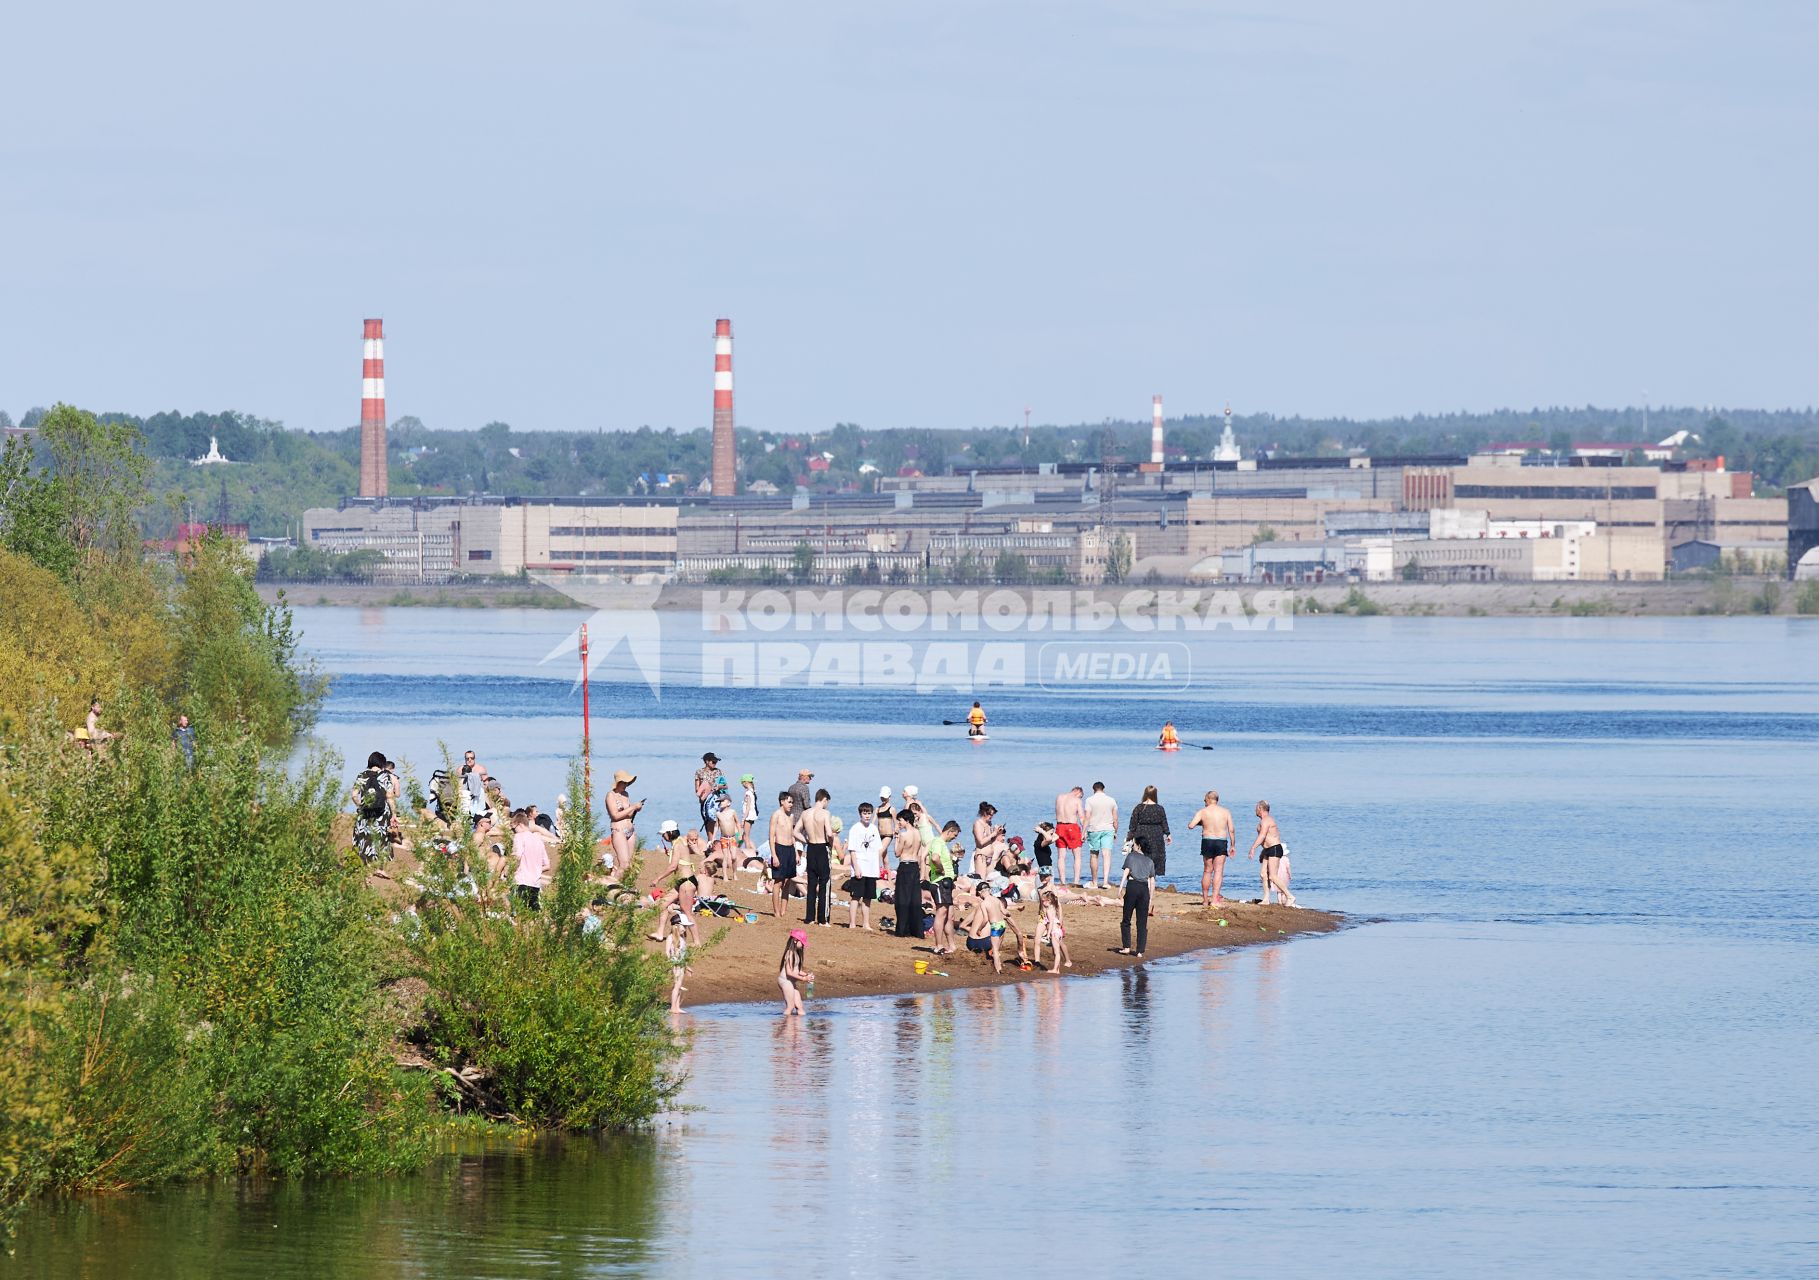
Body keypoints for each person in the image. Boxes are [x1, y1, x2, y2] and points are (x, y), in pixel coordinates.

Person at [1127, 784, 1171, 914]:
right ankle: (1149, 900)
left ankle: (1139, 899)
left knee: (1139, 868)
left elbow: (1132, 825)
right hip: (1156, 838)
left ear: (1145, 794)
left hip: (1141, 837)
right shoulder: (1159, 809)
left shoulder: (1139, 808)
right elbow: (1164, 823)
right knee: (1152, 872)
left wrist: (1129, 838)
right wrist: (1168, 834)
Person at [1190, 790, 1236, 906]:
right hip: (1221, 841)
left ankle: (1205, 900)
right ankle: (1215, 899)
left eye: (1205, 799)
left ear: (1209, 799)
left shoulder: (1203, 811)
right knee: (1218, 871)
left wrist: (1204, 823)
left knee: (1207, 871)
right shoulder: (1226, 812)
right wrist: (1232, 845)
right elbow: (1231, 829)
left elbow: (1191, 825)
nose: (1204, 801)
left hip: (1207, 840)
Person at [797, 787, 835, 927]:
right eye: (827, 802)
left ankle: (809, 917)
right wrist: (831, 845)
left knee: (812, 883)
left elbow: (796, 831)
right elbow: (830, 833)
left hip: (811, 847)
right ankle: (823, 919)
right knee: (824, 883)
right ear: (824, 799)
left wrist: (806, 841)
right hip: (822, 847)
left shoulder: (805, 813)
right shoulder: (825, 813)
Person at [1248, 800, 1297, 907]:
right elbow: (1265, 839)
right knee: (1263, 874)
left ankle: (1290, 896)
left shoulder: (1267, 820)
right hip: (1267, 850)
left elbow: (1262, 835)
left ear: (1260, 808)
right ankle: (1266, 899)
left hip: (1275, 848)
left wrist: (1253, 848)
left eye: (1256, 808)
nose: (1255, 810)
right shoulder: (1262, 821)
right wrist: (1262, 851)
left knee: (1273, 876)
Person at [846, 801, 883, 930]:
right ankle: (852, 923)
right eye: (864, 813)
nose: (867, 816)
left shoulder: (873, 829)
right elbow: (852, 851)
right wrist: (856, 867)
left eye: (869, 813)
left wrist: (878, 867)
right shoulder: (855, 829)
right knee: (856, 896)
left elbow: (878, 849)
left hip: (871, 869)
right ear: (860, 814)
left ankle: (866, 923)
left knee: (868, 898)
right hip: (860, 867)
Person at [1117, 840, 1157, 957]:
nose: (1132, 846)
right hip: (1144, 890)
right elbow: (1152, 882)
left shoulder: (1131, 857)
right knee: (1142, 922)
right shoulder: (1150, 861)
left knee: (1126, 919)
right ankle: (1140, 951)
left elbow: (1126, 872)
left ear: (1139, 846)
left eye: (1134, 844)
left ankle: (1126, 947)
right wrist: (1150, 898)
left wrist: (1120, 888)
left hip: (1133, 887)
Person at [350, 751, 391, 864]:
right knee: (381, 838)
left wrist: (360, 806)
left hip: (365, 812)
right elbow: (389, 796)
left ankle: (363, 864)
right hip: (381, 813)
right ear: (382, 763)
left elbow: (354, 795)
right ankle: (379, 868)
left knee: (363, 837)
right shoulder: (385, 776)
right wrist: (394, 813)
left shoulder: (362, 775)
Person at [891, 808, 924, 938]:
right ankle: (916, 930)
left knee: (902, 899)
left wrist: (896, 838)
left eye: (900, 820)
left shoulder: (904, 835)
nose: (899, 823)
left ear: (906, 820)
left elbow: (897, 853)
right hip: (915, 866)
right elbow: (920, 853)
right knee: (915, 899)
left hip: (905, 866)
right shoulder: (918, 834)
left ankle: (902, 929)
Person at [511, 808, 550, 912]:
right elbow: (547, 865)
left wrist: (510, 870)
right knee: (533, 915)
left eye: (513, 828)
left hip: (521, 880)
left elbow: (517, 856)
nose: (513, 831)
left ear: (520, 824)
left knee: (519, 915)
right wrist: (535, 869)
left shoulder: (519, 837)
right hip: (535, 883)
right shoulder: (539, 841)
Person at [1083, 781, 1119, 889]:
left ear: (1094, 789)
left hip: (1094, 829)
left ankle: (1094, 882)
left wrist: (1083, 832)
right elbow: (1115, 818)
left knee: (1094, 855)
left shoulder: (1089, 800)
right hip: (1108, 829)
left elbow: (1087, 817)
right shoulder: (1111, 800)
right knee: (1106, 855)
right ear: (1104, 789)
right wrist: (1115, 831)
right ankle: (1105, 882)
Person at [767, 791, 798, 919]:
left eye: (792, 802)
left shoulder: (791, 816)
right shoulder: (776, 815)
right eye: (789, 802)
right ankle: (776, 911)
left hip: (790, 849)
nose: (791, 805)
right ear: (782, 801)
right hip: (779, 849)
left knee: (787, 881)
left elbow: (792, 835)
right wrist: (774, 855)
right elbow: (771, 836)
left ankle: (784, 910)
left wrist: (796, 853)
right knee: (778, 882)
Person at [606, 769, 642, 869]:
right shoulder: (610, 795)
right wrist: (633, 807)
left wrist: (636, 809)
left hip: (630, 830)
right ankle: (612, 884)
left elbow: (628, 814)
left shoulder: (626, 795)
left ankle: (623, 884)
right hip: (619, 830)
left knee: (629, 864)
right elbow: (615, 816)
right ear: (618, 783)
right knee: (624, 864)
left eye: (627, 783)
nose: (626, 785)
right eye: (624, 783)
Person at [664, 899, 695, 1012]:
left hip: (681, 964)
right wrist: (670, 964)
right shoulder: (671, 937)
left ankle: (677, 1006)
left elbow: (683, 954)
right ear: (677, 926)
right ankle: (673, 1007)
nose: (685, 929)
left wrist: (687, 966)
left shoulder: (682, 939)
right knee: (676, 986)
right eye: (684, 926)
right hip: (675, 964)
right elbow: (667, 952)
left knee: (679, 985)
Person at [1054, 786, 1086, 885]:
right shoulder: (1077, 800)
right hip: (1072, 827)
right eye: (1081, 796)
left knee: (1061, 857)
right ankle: (1076, 881)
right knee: (1077, 856)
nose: (1080, 798)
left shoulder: (1059, 797)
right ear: (1078, 792)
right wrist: (1084, 832)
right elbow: (1081, 817)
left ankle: (1062, 881)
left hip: (1059, 826)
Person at [778, 929, 813, 1016]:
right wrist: (803, 979)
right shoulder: (789, 953)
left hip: (791, 982)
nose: (803, 946)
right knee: (791, 1006)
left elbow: (796, 970)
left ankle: (798, 1028)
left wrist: (806, 974)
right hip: (785, 981)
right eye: (802, 943)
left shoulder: (796, 953)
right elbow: (789, 972)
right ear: (795, 940)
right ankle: (785, 1026)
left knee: (800, 1006)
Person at [1037, 886, 1071, 972]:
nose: (1042, 902)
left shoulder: (1049, 910)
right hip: (1058, 931)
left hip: (1055, 932)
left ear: (1048, 901)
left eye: (1043, 901)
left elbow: (1051, 922)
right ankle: (1057, 969)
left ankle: (1055, 969)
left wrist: (1048, 934)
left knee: (1056, 952)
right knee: (1057, 951)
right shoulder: (1053, 907)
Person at [971, 801, 1006, 878]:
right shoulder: (978, 823)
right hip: (981, 856)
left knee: (989, 880)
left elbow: (990, 840)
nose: (991, 817)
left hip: (990, 857)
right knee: (981, 880)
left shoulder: (989, 824)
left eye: (993, 815)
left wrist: (997, 833)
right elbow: (981, 842)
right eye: (990, 815)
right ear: (984, 813)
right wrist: (993, 834)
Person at [695, 752, 726, 833]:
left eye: (716, 761)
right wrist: (702, 796)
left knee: (719, 824)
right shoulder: (699, 772)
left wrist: (718, 788)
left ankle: (716, 843)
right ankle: (710, 843)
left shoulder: (719, 772)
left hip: (717, 801)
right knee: (707, 824)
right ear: (706, 761)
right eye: (713, 761)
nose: (715, 763)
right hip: (705, 801)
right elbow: (697, 789)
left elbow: (725, 786)